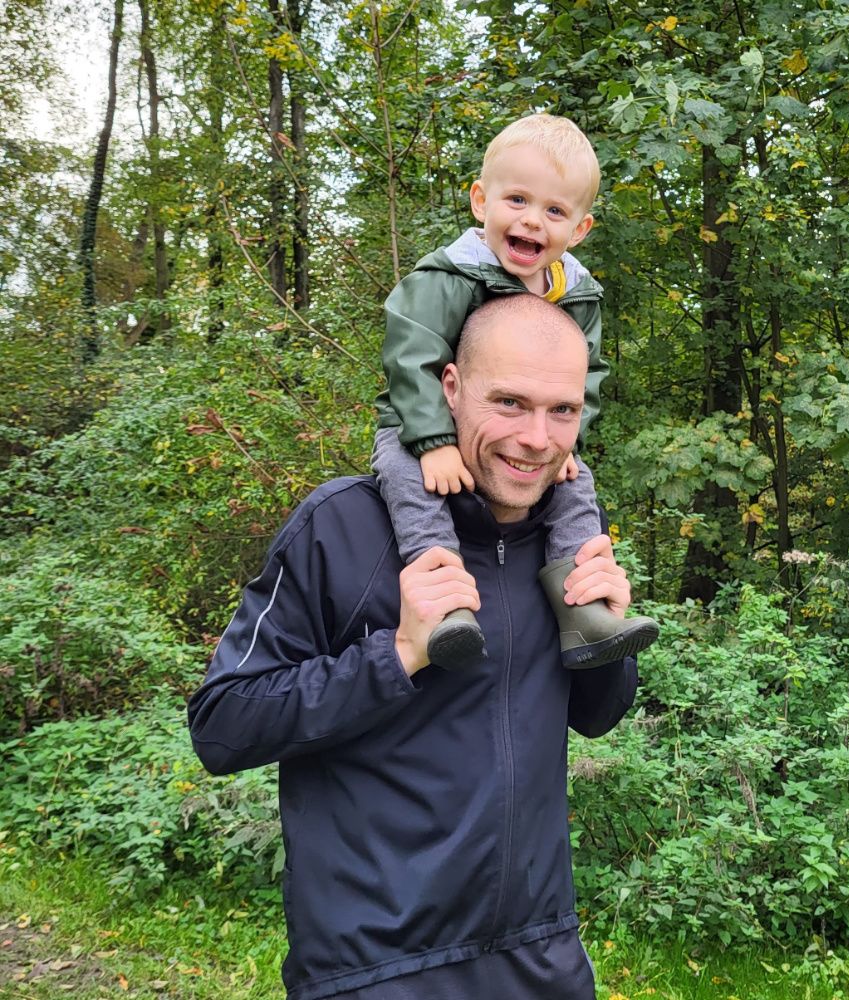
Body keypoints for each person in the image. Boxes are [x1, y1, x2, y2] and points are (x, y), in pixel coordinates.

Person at [188, 296, 644, 1000]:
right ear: (450, 389)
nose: (537, 438)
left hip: (540, 954)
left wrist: (607, 632)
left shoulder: (564, 531)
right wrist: (398, 655)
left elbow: (595, 716)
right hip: (376, 967)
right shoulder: (342, 525)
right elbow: (223, 724)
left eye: (563, 410)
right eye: (510, 403)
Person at [372, 113, 658, 671]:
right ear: (481, 201)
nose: (532, 220)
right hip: (415, 423)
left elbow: (587, 378)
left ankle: (583, 607)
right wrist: (434, 442)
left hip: (516, 444)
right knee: (412, 485)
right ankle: (445, 604)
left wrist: (565, 442)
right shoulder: (448, 278)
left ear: (579, 229)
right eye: (518, 200)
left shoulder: (577, 295)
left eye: (554, 211)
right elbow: (410, 360)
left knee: (577, 488)